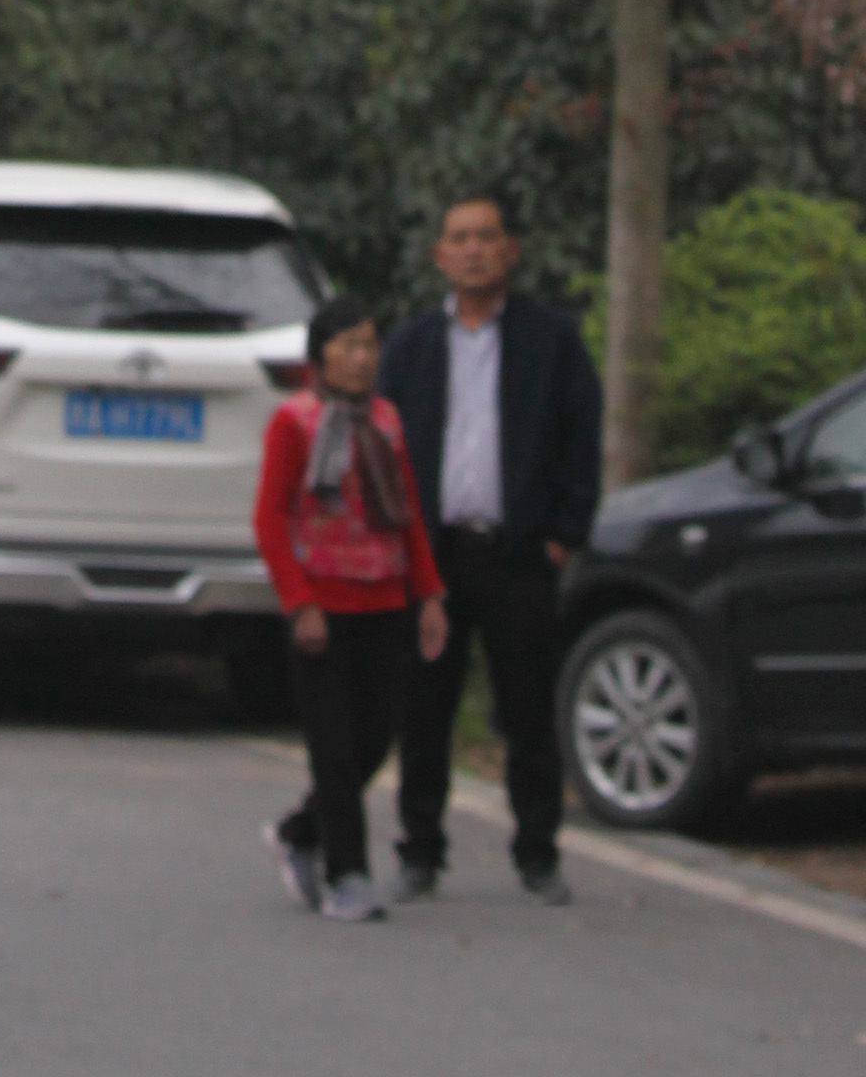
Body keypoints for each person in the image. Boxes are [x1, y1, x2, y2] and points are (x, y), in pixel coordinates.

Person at [379, 189, 604, 906]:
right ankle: (420, 850)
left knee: (529, 710)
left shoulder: (551, 340)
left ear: (510, 250)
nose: (474, 249)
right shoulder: (412, 346)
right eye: (460, 238)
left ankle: (538, 853)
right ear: (440, 255)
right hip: (433, 559)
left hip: (518, 556)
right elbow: (382, 447)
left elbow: (582, 434)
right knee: (424, 711)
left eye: (486, 236)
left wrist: (564, 534)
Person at [254, 293, 447, 923]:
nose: (363, 358)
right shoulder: (295, 422)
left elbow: (407, 513)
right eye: (350, 346)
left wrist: (429, 595)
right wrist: (299, 603)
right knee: (333, 746)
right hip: (322, 605)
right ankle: (348, 875)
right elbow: (270, 518)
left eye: (370, 345)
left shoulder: (386, 421)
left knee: (374, 740)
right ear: (321, 355)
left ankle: (301, 831)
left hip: (384, 600)